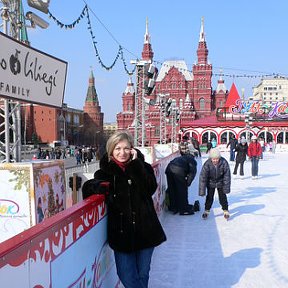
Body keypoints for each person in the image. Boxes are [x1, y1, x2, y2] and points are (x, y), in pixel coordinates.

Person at [94, 130, 166, 288]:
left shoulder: (143, 167)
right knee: (126, 274)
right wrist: (97, 186)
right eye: (117, 148)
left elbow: (150, 188)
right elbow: (90, 190)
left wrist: (135, 165)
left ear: (132, 149)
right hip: (122, 233)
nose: (122, 152)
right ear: (111, 150)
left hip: (146, 230)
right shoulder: (104, 173)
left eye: (126, 148)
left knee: (143, 273)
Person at [199, 148, 231, 220]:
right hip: (210, 182)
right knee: (209, 197)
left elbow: (227, 176)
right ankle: (207, 210)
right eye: (213, 159)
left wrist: (226, 187)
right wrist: (202, 190)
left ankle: (225, 210)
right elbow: (203, 177)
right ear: (211, 158)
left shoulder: (224, 162)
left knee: (222, 196)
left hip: (221, 182)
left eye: (217, 159)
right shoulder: (207, 164)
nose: (215, 160)